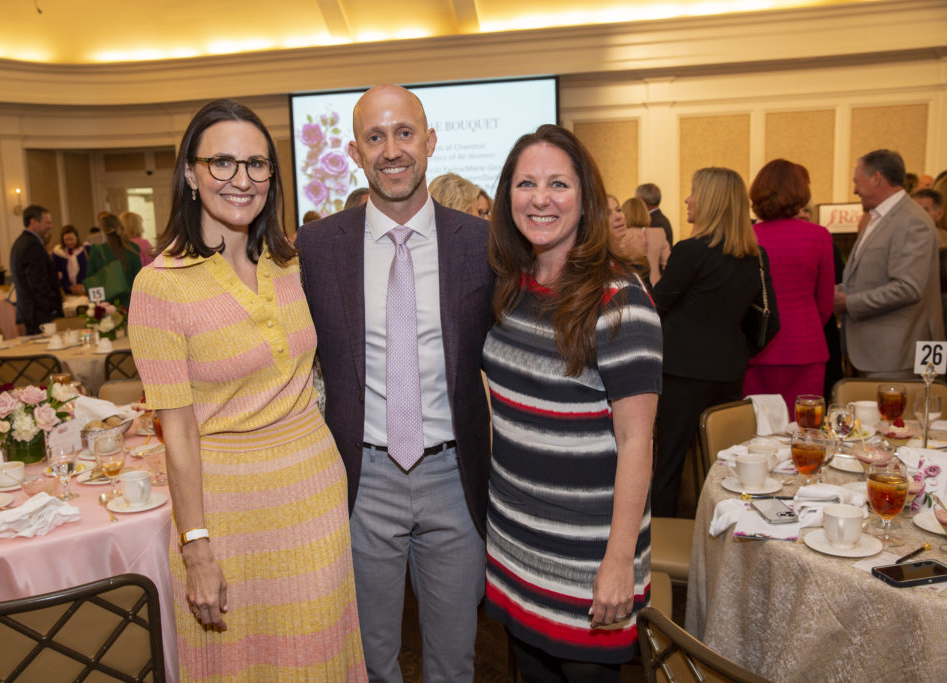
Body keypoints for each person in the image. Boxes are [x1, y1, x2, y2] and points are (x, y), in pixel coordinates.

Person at [128, 98, 366, 681]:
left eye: (257, 165)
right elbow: (177, 434)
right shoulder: (158, 287)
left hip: (314, 494)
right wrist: (197, 546)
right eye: (223, 163)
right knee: (240, 663)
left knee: (321, 657)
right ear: (189, 172)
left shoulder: (290, 263)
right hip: (228, 507)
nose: (243, 180)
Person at [298, 84, 493, 682]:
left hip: (454, 477)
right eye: (374, 137)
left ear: (429, 142)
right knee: (368, 661)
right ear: (355, 153)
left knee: (454, 661)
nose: (391, 150)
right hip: (362, 480)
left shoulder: (483, 244)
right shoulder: (316, 247)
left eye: (404, 133)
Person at [483, 124, 660, 681]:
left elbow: (638, 441)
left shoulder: (620, 301)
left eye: (558, 183)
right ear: (506, 195)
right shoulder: (511, 288)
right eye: (525, 183)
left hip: (588, 559)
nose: (540, 198)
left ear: (585, 199)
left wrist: (618, 564)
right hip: (517, 546)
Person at [650, 167, 776, 517]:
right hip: (728, 371)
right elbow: (768, 321)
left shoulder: (691, 251)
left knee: (668, 465)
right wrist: (737, 351)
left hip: (681, 372)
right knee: (724, 466)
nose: (688, 200)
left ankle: (660, 542)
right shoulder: (756, 257)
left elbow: (656, 305)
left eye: (693, 192)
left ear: (710, 201)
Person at [835, 149, 944, 377]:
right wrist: (845, 290)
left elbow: (908, 288)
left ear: (877, 178)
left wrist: (849, 301)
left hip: (895, 357)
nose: (854, 190)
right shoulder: (881, 217)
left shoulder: (911, 220)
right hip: (876, 354)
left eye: (857, 181)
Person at [741, 159, 834, 416]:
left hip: (756, 349)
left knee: (757, 431)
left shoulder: (747, 237)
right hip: (806, 346)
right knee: (804, 431)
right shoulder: (819, 236)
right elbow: (825, 306)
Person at [10, 204, 63, 334]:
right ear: (33, 222)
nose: (51, 226)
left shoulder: (20, 242)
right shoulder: (31, 244)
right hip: (40, 313)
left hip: (31, 311)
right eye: (47, 223)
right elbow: (38, 282)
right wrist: (52, 308)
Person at [85, 213, 143, 308]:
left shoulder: (97, 251)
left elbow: (91, 280)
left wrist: (97, 306)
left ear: (103, 231)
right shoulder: (133, 248)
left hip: (106, 305)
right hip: (130, 303)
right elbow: (139, 279)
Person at [622, 196, 669, 284]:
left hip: (628, 285)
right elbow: (669, 264)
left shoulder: (620, 236)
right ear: (645, 213)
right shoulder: (659, 233)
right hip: (655, 286)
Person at [51, 225, 89, 295]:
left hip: (83, 289)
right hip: (66, 291)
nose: (69, 242)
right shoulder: (58, 253)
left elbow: (86, 269)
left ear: (76, 238)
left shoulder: (83, 250)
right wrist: (69, 286)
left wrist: (81, 284)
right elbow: (56, 272)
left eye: (72, 239)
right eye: (66, 240)